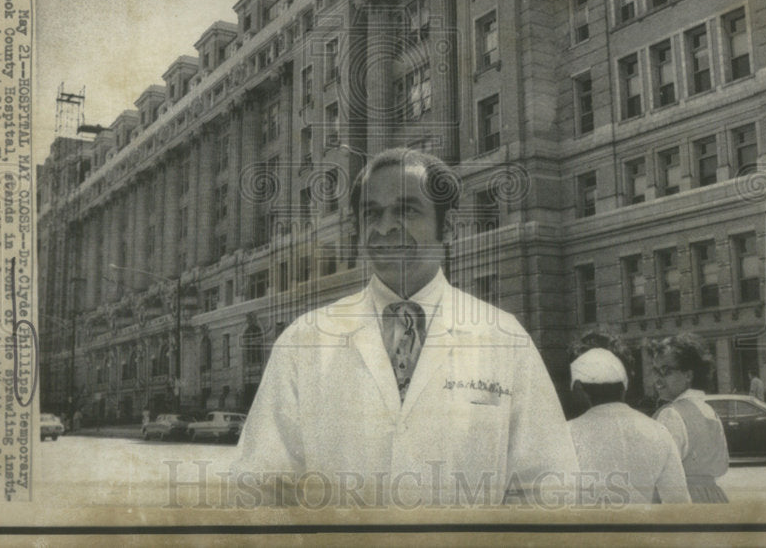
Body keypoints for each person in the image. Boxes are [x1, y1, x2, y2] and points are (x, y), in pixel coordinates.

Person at [233, 148, 579, 507]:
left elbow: (546, 488)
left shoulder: (504, 338)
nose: (385, 227)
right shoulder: (304, 340)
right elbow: (261, 486)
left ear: (448, 225)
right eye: (372, 213)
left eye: (406, 210)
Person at [568, 348, 690, 505]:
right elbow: (678, 502)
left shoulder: (565, 433)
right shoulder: (658, 431)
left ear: (580, 388)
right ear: (625, 387)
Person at [647, 334, 730, 503]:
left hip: (683, 500)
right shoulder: (708, 410)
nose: (657, 380)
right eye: (655, 371)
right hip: (714, 497)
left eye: (666, 371)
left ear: (688, 375)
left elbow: (658, 472)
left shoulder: (671, 414)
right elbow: (721, 466)